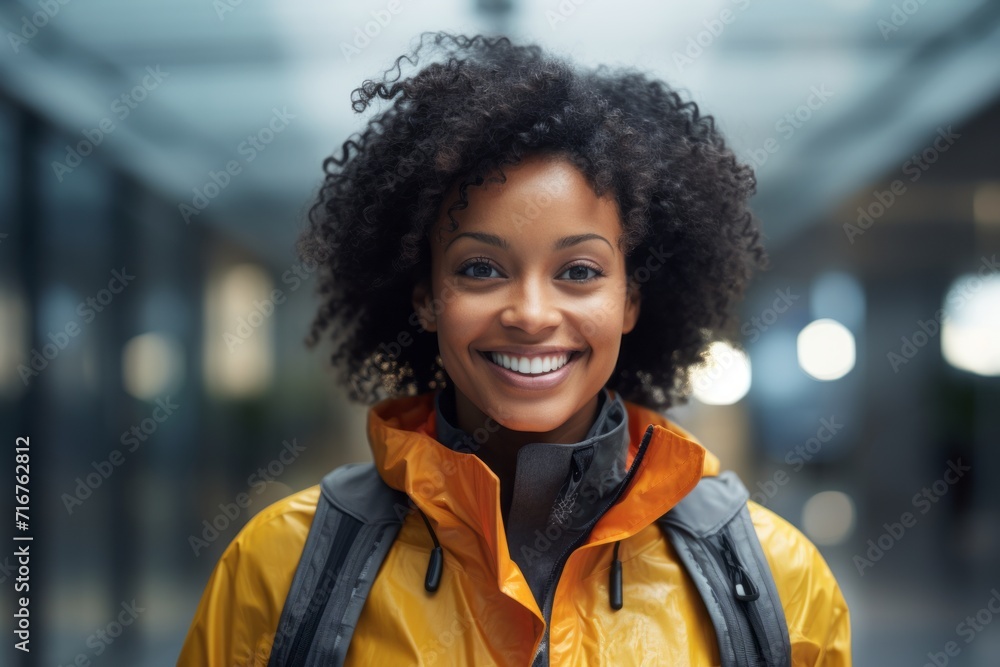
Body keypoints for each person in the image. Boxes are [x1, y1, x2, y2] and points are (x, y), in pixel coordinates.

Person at [179, 32, 851, 666]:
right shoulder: (281, 567)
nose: (531, 313)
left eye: (579, 272)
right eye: (481, 268)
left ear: (632, 299)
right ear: (425, 294)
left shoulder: (775, 578)